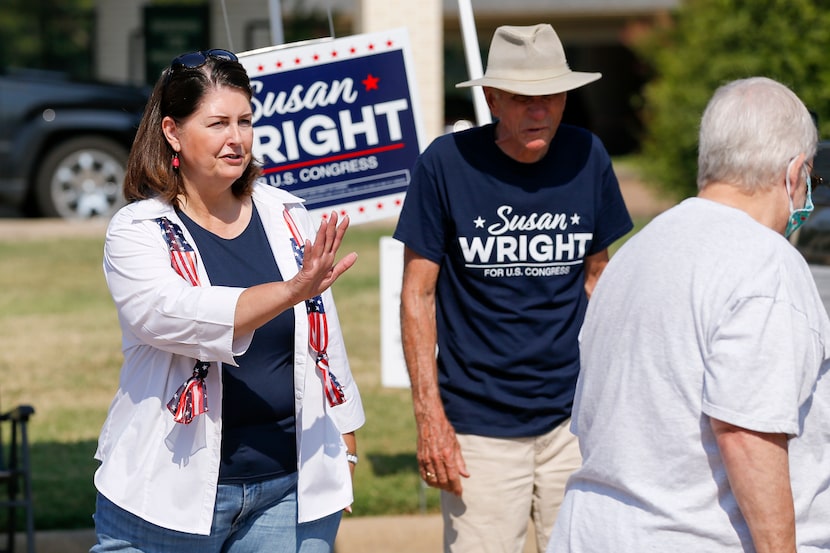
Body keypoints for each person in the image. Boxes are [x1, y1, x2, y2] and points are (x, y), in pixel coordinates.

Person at [91, 49, 365, 553]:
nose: (236, 138)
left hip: (288, 489)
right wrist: (289, 292)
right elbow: (170, 316)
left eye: (245, 121)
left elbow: (320, 330)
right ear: (172, 131)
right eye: (217, 123)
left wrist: (344, 430)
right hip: (166, 494)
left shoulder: (287, 212)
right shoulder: (139, 229)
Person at [548, 76, 830, 553]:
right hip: (693, 537)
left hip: (596, 529)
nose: (806, 196)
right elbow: (747, 433)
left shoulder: (640, 249)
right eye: (811, 182)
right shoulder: (766, 264)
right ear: (794, 170)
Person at [393, 24, 634, 553]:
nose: (540, 111)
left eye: (551, 96)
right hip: (476, 425)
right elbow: (418, 295)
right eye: (525, 99)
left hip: (574, 421)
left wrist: (616, 398)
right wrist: (429, 418)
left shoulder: (587, 155)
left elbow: (601, 278)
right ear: (492, 97)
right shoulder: (446, 163)